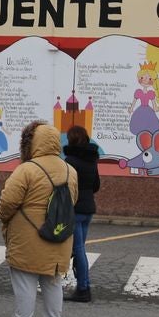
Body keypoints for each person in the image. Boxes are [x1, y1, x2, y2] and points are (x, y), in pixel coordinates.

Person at [0, 121, 78, 317]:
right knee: (53, 280)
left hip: (28, 235)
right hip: (60, 233)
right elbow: (74, 200)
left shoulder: (27, 169)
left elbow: (8, 203)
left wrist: (3, 218)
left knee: (25, 280)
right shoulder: (70, 170)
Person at [62, 125, 101, 303]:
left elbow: (65, 186)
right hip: (88, 209)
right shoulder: (92, 159)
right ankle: (82, 286)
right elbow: (96, 185)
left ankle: (83, 288)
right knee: (80, 249)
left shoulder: (70, 160)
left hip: (75, 209)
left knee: (78, 250)